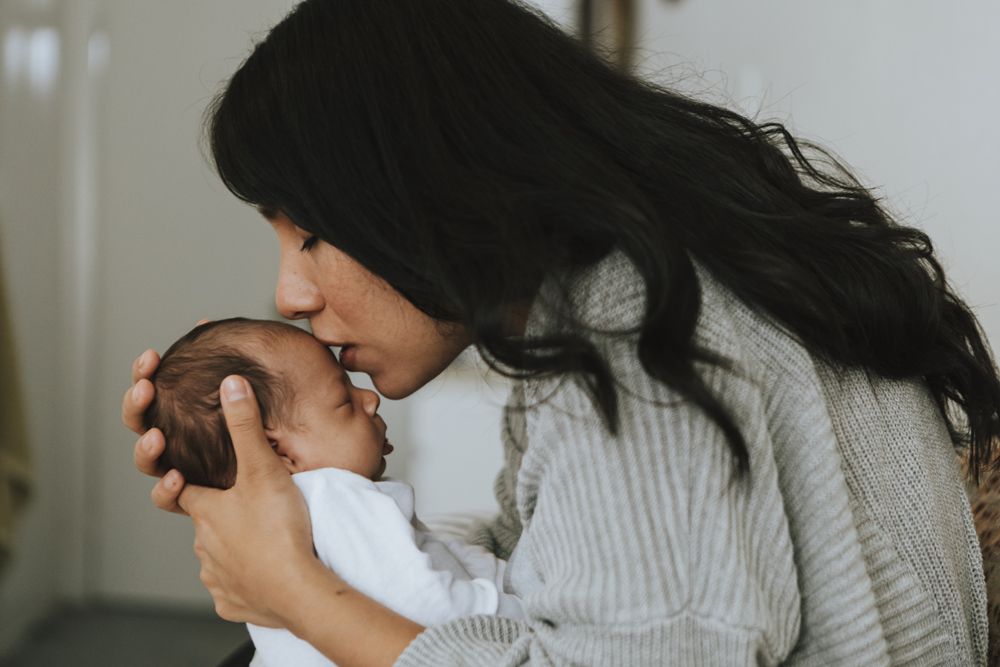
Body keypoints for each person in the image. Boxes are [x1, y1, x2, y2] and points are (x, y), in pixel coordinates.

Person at [120, 0, 1000, 664]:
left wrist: (294, 589)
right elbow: (552, 569)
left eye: (310, 232)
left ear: (424, 180)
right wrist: (298, 515)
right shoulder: (616, 297)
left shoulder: (645, 339)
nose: (289, 293)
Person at [143, 317, 524, 666]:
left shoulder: (260, 518)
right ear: (280, 452)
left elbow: (438, 555)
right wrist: (518, 614)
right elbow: (429, 604)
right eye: (344, 401)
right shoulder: (336, 495)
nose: (370, 400)